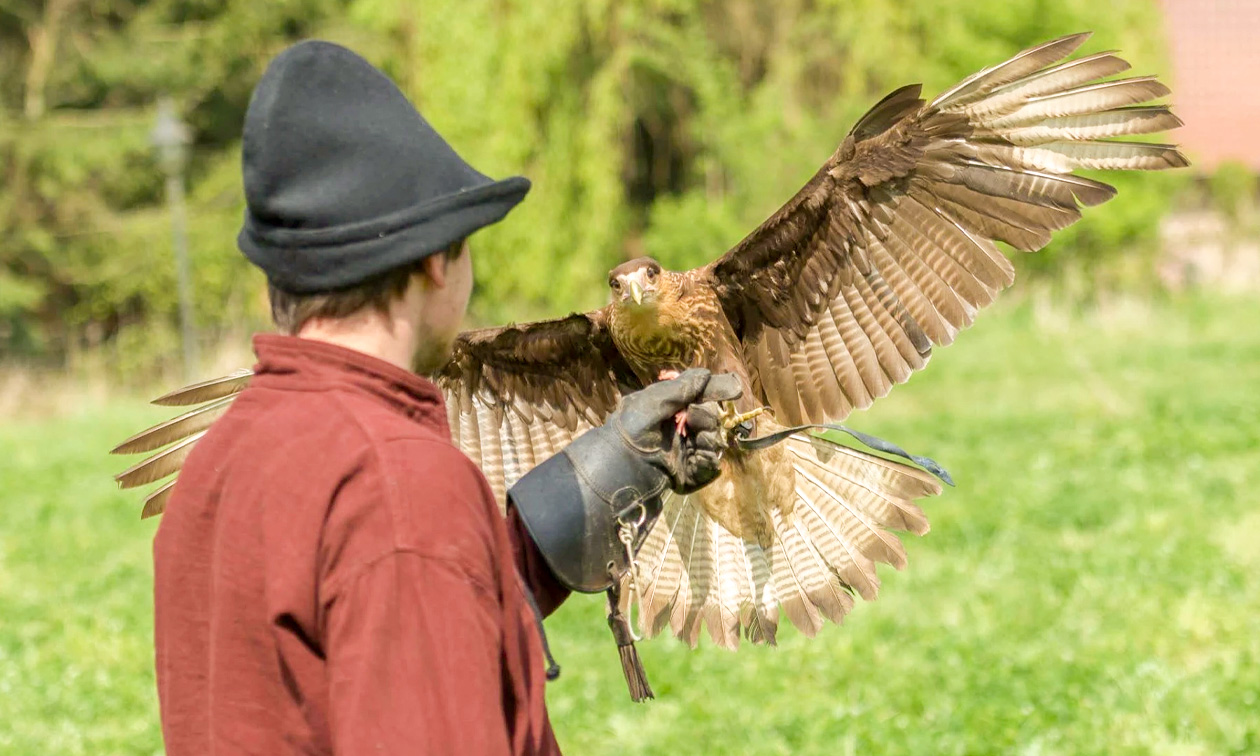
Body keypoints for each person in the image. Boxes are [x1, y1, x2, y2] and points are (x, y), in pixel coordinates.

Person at [151, 40, 737, 756]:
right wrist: (434, 525)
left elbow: (359, 631)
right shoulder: (399, 488)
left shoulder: (224, 459)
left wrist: (544, 528)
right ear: (436, 258)